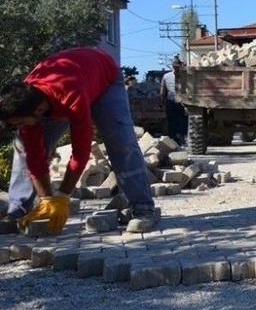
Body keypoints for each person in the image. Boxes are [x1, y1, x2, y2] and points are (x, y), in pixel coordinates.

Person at [0, 47, 158, 235]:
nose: (18, 126)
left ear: (38, 111)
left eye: (19, 122)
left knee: (120, 141)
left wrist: (63, 196)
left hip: (105, 78)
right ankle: (17, 211)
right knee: (24, 147)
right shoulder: (24, 99)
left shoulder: (70, 96)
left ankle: (144, 209)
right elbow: (35, 158)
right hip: (68, 82)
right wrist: (48, 201)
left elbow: (81, 152)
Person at [160, 57, 187, 145]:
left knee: (182, 121)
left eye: (177, 66)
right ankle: (173, 139)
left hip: (182, 102)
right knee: (172, 121)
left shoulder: (185, 75)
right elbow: (163, 90)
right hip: (171, 101)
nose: (176, 67)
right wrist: (162, 101)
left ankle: (181, 138)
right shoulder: (167, 76)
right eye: (174, 66)